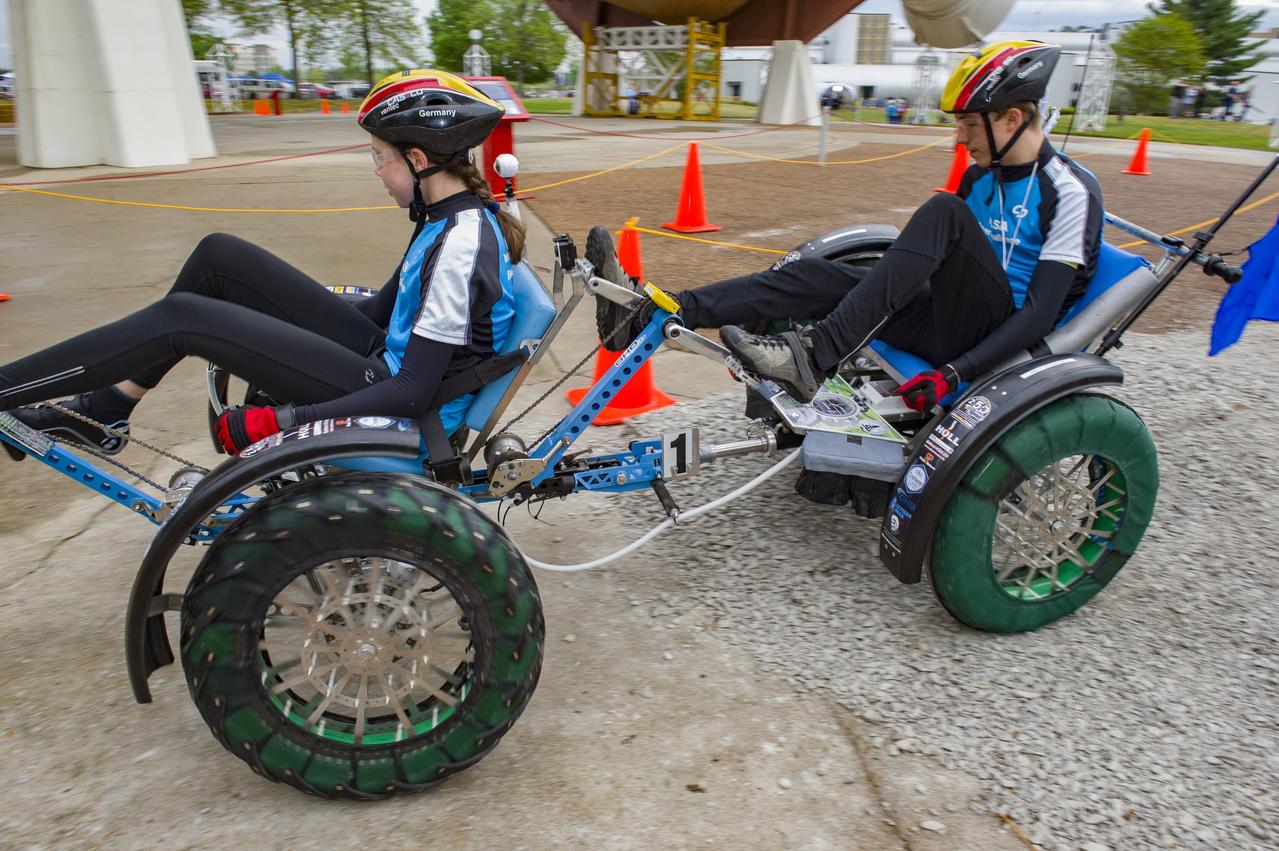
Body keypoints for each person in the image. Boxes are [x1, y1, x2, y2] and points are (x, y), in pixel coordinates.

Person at [1, 69, 524, 457]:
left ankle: (13, 389)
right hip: (381, 359)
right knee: (218, 258)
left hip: (395, 389)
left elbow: (412, 393)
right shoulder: (442, 218)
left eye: (378, 158)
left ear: (416, 160)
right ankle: (111, 406)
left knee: (184, 317)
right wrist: (268, 326)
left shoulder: (459, 243)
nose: (375, 171)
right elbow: (378, 314)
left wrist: (283, 419)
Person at [590, 40, 1103, 410]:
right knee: (814, 275)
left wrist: (953, 375)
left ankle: (814, 356)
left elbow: (1038, 316)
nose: (960, 138)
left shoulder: (1070, 192)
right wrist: (868, 289)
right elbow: (925, 270)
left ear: (1012, 119)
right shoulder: (979, 178)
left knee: (942, 211)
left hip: (990, 334)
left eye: (970, 124)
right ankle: (647, 313)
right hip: (943, 315)